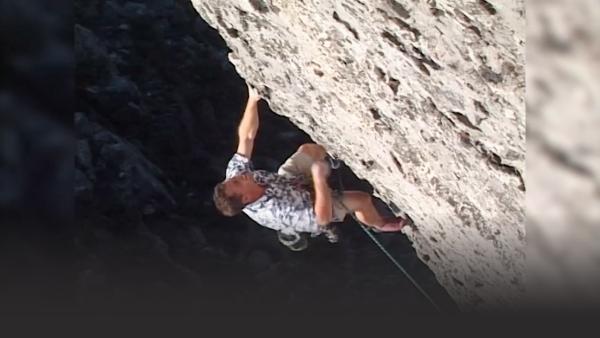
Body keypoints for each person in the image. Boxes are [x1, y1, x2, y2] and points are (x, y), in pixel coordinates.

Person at [213, 83, 407, 250]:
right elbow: (321, 218)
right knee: (362, 200)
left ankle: (330, 160)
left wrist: (253, 100)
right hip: (312, 206)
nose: (239, 176)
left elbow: (246, 137)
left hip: (288, 182)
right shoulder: (277, 212)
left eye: (233, 179)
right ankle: (379, 224)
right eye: (238, 182)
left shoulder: (235, 176)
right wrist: (319, 179)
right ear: (246, 197)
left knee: (310, 150)